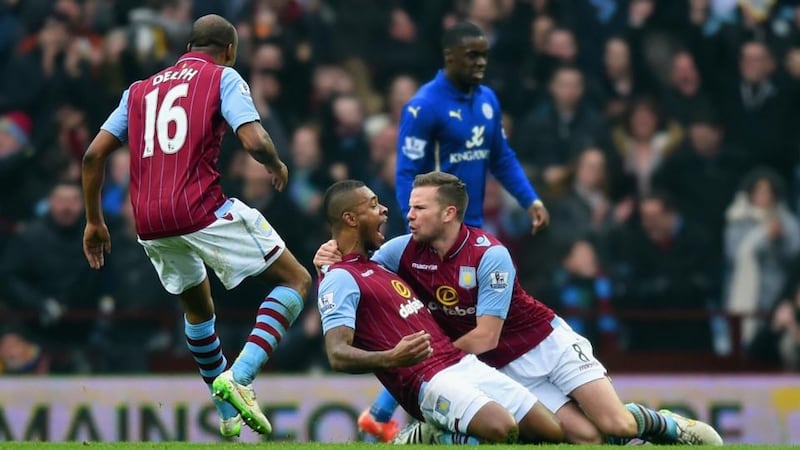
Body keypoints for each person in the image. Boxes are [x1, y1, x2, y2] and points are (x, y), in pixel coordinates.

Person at [316, 172, 723, 446]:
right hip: (500, 366)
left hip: (544, 344)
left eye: (419, 208)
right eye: (410, 206)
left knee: (616, 423)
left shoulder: (489, 255)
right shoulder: (400, 251)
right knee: (586, 439)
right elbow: (359, 270)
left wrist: (438, 366)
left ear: (449, 212)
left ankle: (667, 424)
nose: (408, 214)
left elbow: (486, 335)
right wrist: (327, 258)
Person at [81, 15, 311, 439]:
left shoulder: (138, 91)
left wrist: (94, 220)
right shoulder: (223, 77)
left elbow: (93, 156)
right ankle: (239, 377)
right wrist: (277, 164)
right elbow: (254, 140)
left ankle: (225, 409)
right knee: (297, 280)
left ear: (188, 46)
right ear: (229, 50)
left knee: (200, 309)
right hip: (201, 209)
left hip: (149, 221)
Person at [317, 179, 564, 445]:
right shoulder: (340, 278)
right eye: (374, 205)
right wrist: (391, 357)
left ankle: (436, 431)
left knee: (551, 432)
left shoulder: (380, 266)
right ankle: (428, 437)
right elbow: (337, 354)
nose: (385, 210)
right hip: (424, 380)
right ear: (351, 219)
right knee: (503, 429)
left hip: (460, 361)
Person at [395, 21, 549, 232]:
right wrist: (414, 226)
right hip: (436, 229)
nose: (481, 62)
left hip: (473, 226)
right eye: (472, 55)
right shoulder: (424, 106)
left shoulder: (488, 99)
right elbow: (406, 174)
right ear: (450, 57)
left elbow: (502, 159)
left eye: (484, 55)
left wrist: (531, 200)